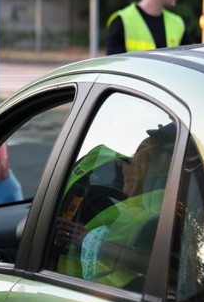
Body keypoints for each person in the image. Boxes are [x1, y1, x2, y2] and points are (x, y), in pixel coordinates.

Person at [54, 123, 176, 289]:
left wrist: (93, 242)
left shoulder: (153, 216)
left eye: (131, 160)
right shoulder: (164, 204)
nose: (121, 166)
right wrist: (88, 237)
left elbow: (165, 268)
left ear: (145, 171)